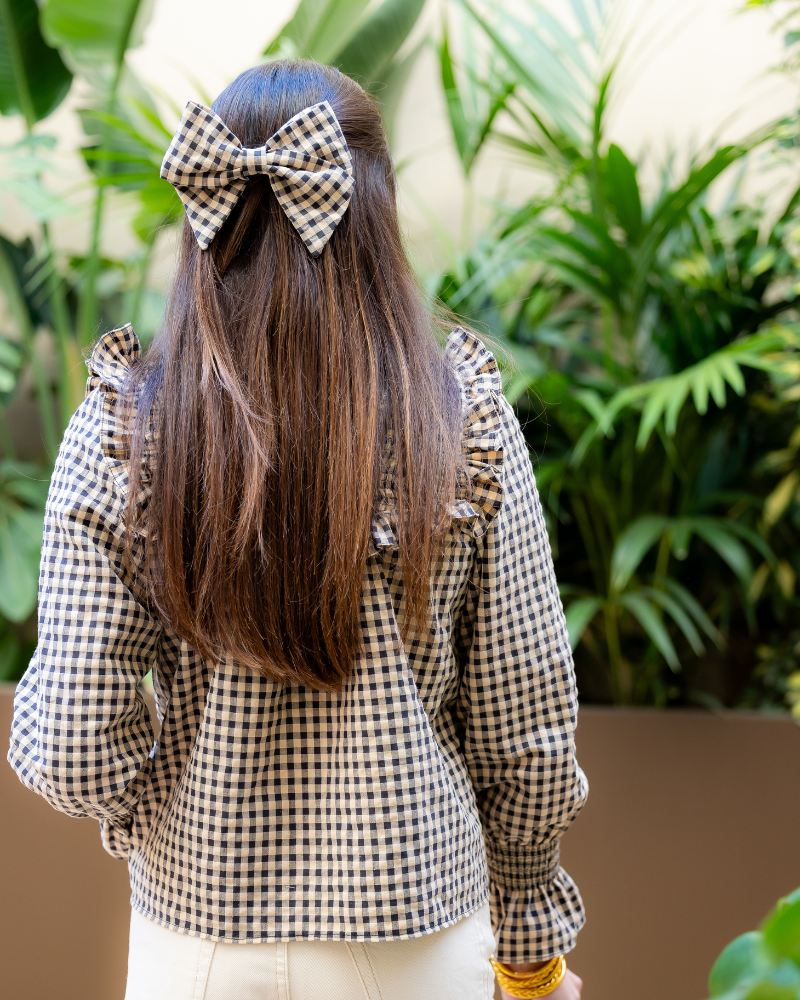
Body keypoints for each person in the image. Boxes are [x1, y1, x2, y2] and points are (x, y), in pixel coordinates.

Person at [7, 59, 587, 1000]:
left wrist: (162, 819)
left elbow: (72, 737)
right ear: (376, 218)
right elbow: (524, 723)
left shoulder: (126, 430)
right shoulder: (463, 422)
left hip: (192, 946)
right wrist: (529, 943)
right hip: (416, 935)